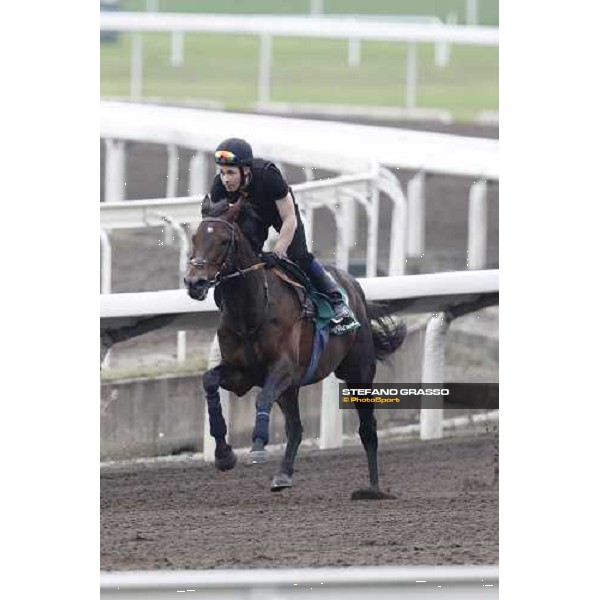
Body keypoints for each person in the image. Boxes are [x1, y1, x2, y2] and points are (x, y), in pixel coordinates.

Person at [208, 137, 360, 334]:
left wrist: (279, 252)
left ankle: (336, 301)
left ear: (245, 170)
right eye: (222, 172)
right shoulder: (218, 188)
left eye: (230, 172)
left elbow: (289, 219)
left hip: (280, 214)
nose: (225, 179)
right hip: (252, 217)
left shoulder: (269, 177)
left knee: (299, 256)